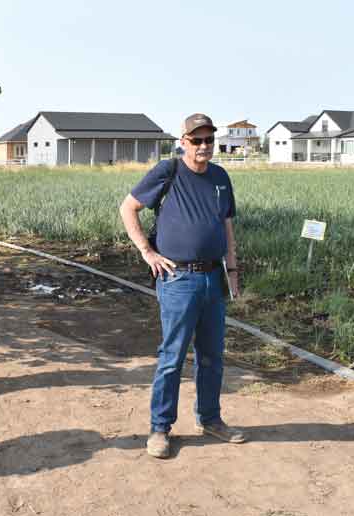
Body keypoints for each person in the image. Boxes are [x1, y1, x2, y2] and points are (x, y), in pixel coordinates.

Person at [119, 113, 246, 459]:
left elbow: (227, 226)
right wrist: (147, 251)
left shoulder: (220, 177)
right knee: (172, 356)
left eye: (209, 140)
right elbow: (128, 208)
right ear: (183, 142)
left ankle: (211, 419)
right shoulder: (168, 171)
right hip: (178, 280)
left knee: (212, 356)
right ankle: (160, 428)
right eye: (197, 140)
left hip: (213, 279)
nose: (204, 146)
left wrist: (233, 270)